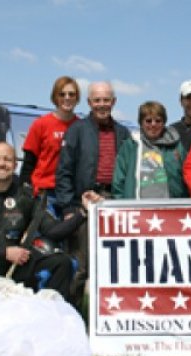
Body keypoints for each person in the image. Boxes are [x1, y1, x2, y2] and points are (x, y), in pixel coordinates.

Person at [55, 81, 131, 306]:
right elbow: (64, 172)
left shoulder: (123, 132)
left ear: (113, 102)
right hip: (84, 204)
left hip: (114, 203)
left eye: (106, 100)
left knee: (115, 264)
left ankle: (111, 318)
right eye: (97, 100)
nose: (102, 104)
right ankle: (73, 316)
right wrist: (69, 208)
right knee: (81, 266)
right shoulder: (77, 130)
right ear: (89, 102)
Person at [0, 142, 97, 301]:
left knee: (62, 262)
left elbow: (53, 231)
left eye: (7, 159)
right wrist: (4, 253)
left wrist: (83, 212)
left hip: (15, 264)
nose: (2, 164)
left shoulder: (26, 195)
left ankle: (54, 318)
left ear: (15, 165)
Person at [112, 101, 188, 199]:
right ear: (141, 123)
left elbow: (188, 177)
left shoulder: (176, 146)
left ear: (164, 123)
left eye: (158, 121)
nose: (153, 124)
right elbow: (118, 182)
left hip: (169, 208)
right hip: (138, 209)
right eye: (148, 121)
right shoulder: (130, 146)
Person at [19, 76, 80, 196]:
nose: (67, 97)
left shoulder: (81, 126)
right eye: (62, 94)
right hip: (43, 190)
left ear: (77, 98)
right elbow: (29, 162)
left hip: (70, 192)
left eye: (71, 94)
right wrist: (24, 189)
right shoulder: (41, 123)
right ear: (55, 97)